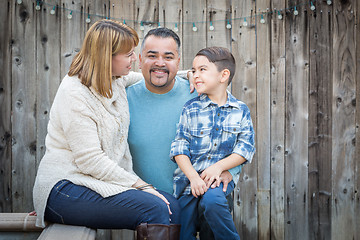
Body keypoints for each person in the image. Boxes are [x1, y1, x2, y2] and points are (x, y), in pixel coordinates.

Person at [32, 19, 180, 240]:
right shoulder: (75, 94)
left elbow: (149, 75)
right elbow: (90, 160)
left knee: (172, 206)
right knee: (155, 208)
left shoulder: (114, 77)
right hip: (65, 188)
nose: (134, 59)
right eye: (129, 54)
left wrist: (194, 74)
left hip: (94, 182)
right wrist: (141, 185)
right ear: (106, 57)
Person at [126, 28, 242, 239]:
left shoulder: (201, 93)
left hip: (206, 193)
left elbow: (235, 137)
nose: (160, 63)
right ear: (140, 59)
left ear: (178, 62)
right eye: (152, 56)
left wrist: (229, 171)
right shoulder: (123, 101)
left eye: (168, 57)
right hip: (152, 207)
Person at [170, 46, 256, 240]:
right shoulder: (190, 109)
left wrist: (219, 168)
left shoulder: (240, 110)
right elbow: (179, 147)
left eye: (202, 69)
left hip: (219, 181)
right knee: (183, 232)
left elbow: (245, 148)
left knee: (213, 203)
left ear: (223, 75)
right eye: (193, 70)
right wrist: (193, 177)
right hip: (188, 183)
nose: (195, 75)